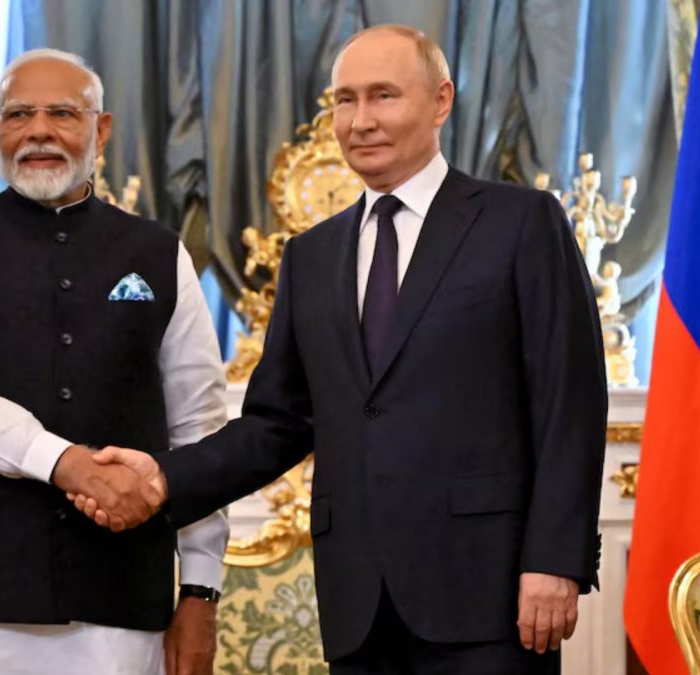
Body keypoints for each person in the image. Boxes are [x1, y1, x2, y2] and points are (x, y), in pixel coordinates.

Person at [73, 25, 607, 674]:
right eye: (343, 101)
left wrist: (555, 558)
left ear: (441, 101)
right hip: (358, 600)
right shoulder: (312, 254)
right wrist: (164, 477)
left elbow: (568, 403)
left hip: (490, 591)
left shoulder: (522, 223)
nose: (359, 121)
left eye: (383, 96)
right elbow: (279, 422)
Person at [0, 48, 229, 675]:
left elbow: (197, 428)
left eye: (63, 113)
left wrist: (199, 592)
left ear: (101, 129)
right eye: (19, 115)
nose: (38, 130)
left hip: (119, 601)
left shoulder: (158, 252)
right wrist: (62, 462)